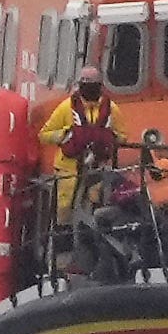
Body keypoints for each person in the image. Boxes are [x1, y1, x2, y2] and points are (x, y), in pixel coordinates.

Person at [37, 65, 123, 219]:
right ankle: (62, 238)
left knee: (95, 207)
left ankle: (89, 237)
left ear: (99, 84)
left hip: (97, 169)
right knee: (64, 211)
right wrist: (65, 134)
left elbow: (123, 135)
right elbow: (44, 134)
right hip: (68, 170)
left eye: (90, 80)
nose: (86, 84)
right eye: (83, 80)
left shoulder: (111, 109)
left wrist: (109, 138)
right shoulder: (66, 108)